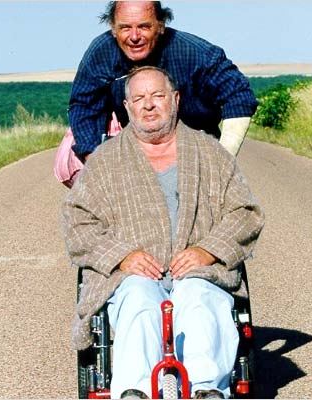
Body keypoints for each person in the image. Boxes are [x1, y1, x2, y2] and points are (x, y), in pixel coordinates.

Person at [63, 66, 264, 399]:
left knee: (199, 300)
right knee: (139, 302)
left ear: (176, 99)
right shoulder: (104, 161)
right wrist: (122, 256)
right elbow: (77, 222)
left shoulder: (210, 153)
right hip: (130, 276)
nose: (148, 105)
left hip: (200, 272)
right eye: (139, 98)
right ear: (127, 107)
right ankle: (134, 391)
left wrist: (208, 250)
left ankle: (206, 390)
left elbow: (245, 213)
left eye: (157, 95)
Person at [69, 1, 258, 163]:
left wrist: (222, 162)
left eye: (144, 27)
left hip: (195, 145)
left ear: (160, 25)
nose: (134, 37)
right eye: (125, 28)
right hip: (134, 147)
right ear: (113, 28)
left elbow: (238, 96)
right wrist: (94, 160)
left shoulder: (196, 54)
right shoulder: (101, 53)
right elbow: (83, 105)